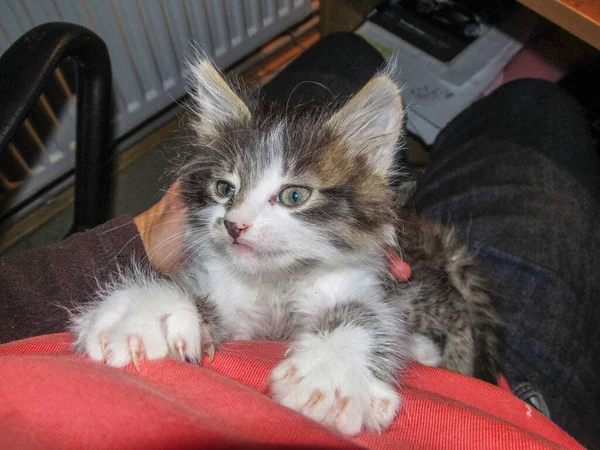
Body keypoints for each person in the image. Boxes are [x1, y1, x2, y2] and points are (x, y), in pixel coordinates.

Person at [0, 33, 597, 448]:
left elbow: (357, 307)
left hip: (367, 265)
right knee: (533, 108)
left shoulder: (335, 253)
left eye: (290, 196)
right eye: (226, 189)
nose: (236, 219)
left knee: (341, 57)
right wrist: (158, 298)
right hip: (501, 420)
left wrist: (149, 271)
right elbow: (218, 296)